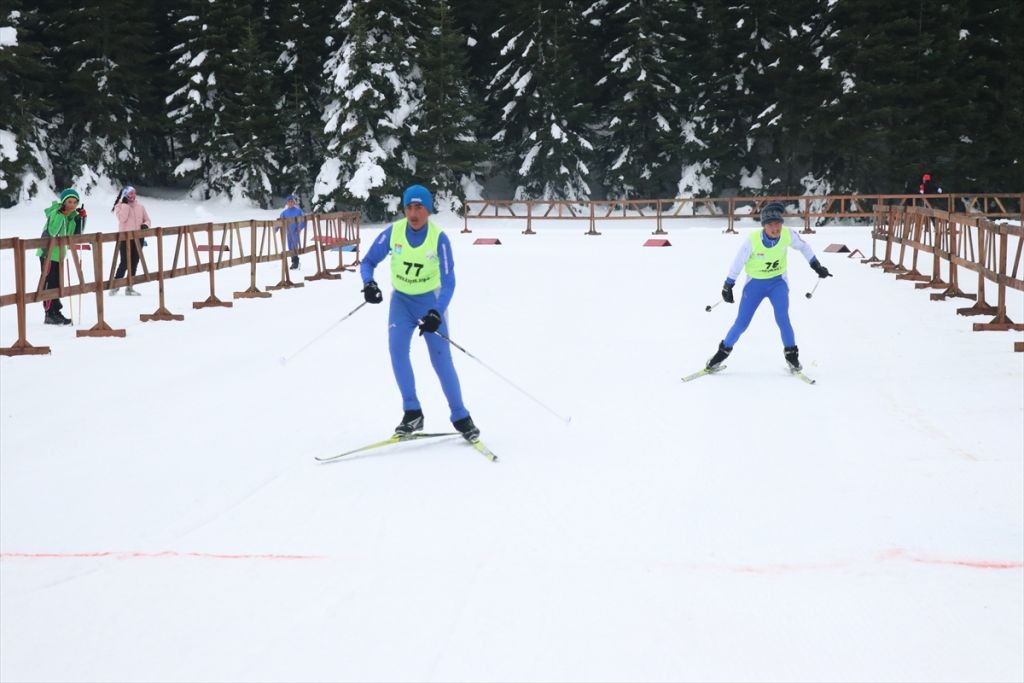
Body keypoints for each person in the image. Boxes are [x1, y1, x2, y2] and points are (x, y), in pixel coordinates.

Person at [359, 184, 481, 442]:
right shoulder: (394, 233)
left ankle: (461, 416)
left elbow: (449, 283)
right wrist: (369, 283)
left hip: (430, 302)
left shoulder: (439, 239)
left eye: (419, 208)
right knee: (397, 351)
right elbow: (368, 262)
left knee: (441, 359)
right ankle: (412, 412)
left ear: (428, 210)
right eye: (409, 208)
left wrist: (436, 312)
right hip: (401, 302)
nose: (413, 214)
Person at [704, 201, 832, 372]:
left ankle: (792, 357)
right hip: (754, 285)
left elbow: (804, 247)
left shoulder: (788, 235)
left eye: (778, 223)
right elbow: (738, 262)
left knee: (783, 318)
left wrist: (816, 265)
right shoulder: (753, 240)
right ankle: (719, 356)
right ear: (764, 226)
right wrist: (728, 285)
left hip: (778, 283)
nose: (775, 228)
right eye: (770, 224)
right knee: (742, 323)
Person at [36, 187, 86, 325]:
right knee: (49, 282)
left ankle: (56, 312)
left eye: (75, 202)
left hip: (59, 254)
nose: (72, 205)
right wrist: (61, 215)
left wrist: (81, 218)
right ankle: (49, 313)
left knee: (57, 283)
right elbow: (54, 232)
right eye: (69, 202)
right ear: (63, 202)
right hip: (48, 253)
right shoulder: (55, 213)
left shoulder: (70, 217)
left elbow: (76, 235)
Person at [110, 185, 152, 295]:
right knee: (124, 262)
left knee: (134, 262)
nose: (133, 195)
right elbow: (122, 219)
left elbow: (148, 220)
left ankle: (130, 287)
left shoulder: (140, 206)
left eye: (134, 193)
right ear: (125, 195)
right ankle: (115, 285)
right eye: (130, 193)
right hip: (125, 238)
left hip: (138, 238)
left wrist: (145, 225)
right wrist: (125, 205)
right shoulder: (119, 206)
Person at [278, 194, 306, 269]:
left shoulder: (298, 211)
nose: (290, 203)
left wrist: (299, 228)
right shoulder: (284, 212)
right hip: (288, 232)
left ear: (294, 202)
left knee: (294, 246)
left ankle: (295, 263)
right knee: (290, 247)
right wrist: (276, 228)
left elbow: (303, 221)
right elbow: (279, 221)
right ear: (287, 203)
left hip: (295, 232)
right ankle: (294, 262)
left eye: (292, 201)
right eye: (289, 202)